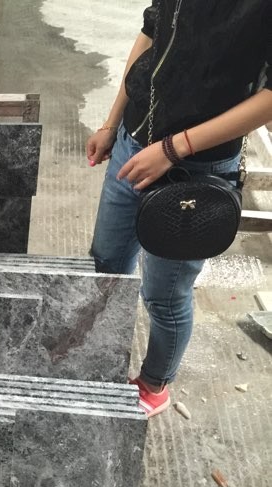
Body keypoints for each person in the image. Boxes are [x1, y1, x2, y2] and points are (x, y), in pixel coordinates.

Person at [86, 0, 272, 417]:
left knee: (165, 294)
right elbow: (151, 33)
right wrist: (112, 123)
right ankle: (98, 360)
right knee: (105, 266)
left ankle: (154, 383)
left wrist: (175, 148)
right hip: (133, 143)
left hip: (198, 166)